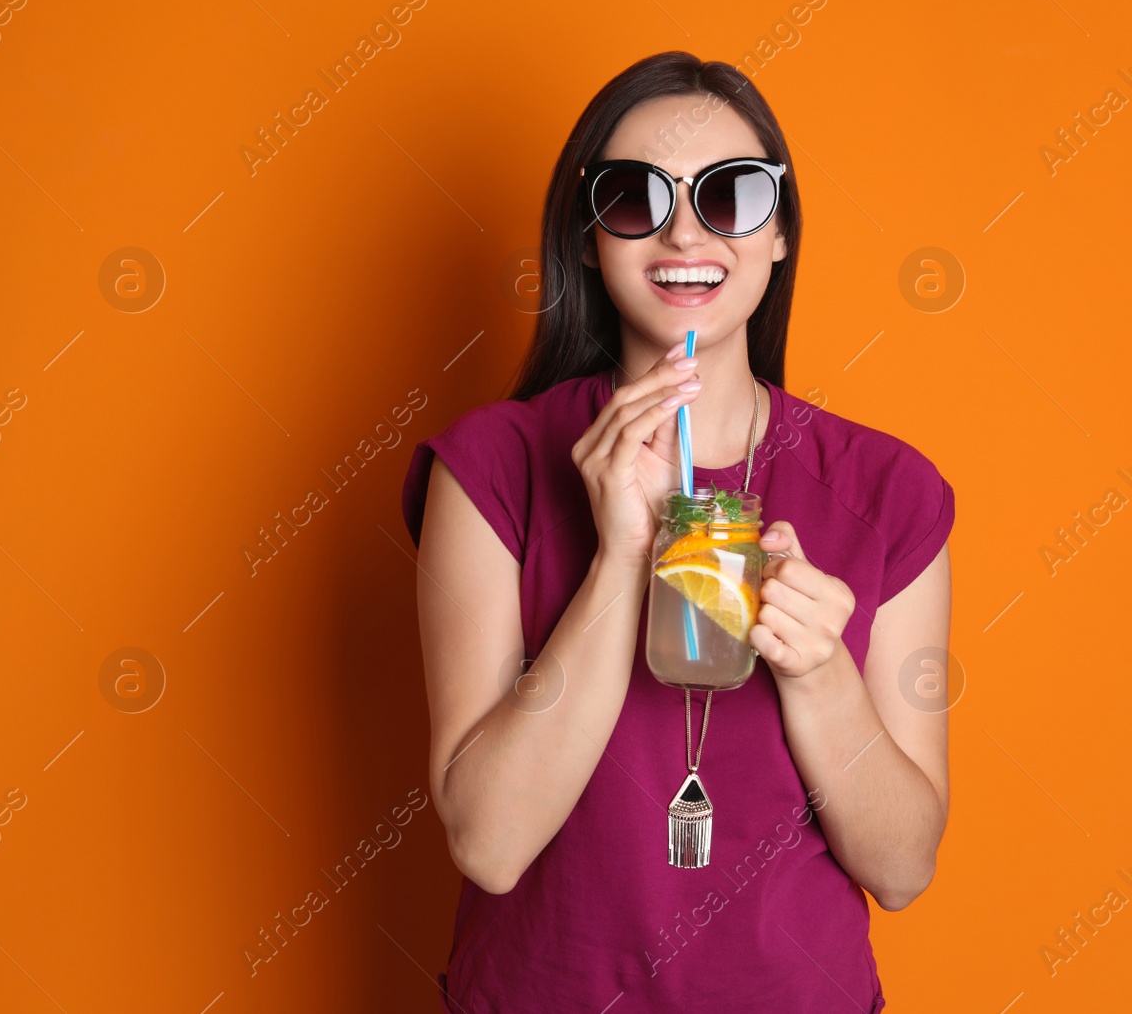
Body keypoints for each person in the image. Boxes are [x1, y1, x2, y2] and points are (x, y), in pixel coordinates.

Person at [399, 51, 955, 1012]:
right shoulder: (492, 466)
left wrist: (820, 669)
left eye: (732, 195)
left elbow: (902, 867)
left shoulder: (888, 491)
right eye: (632, 197)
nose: (686, 231)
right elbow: (488, 844)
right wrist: (619, 555)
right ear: (586, 237)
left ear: (779, 230)